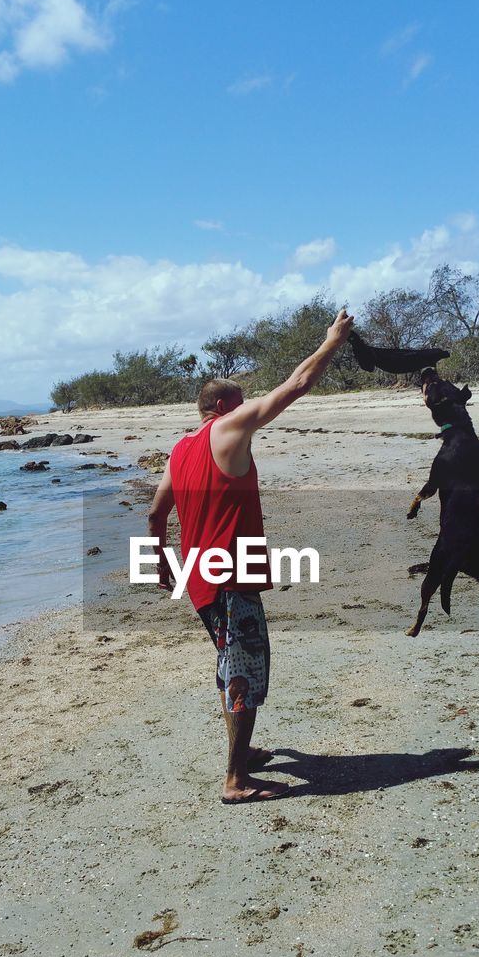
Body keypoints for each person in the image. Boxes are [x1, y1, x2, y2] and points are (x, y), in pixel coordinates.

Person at [147, 307, 354, 803]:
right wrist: (333, 340)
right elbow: (298, 383)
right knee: (244, 669)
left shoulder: (180, 449)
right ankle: (235, 780)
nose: (251, 412)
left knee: (228, 660)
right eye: (241, 403)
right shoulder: (230, 427)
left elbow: (155, 516)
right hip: (229, 577)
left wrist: (162, 565)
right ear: (221, 405)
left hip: (200, 580)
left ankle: (244, 750)